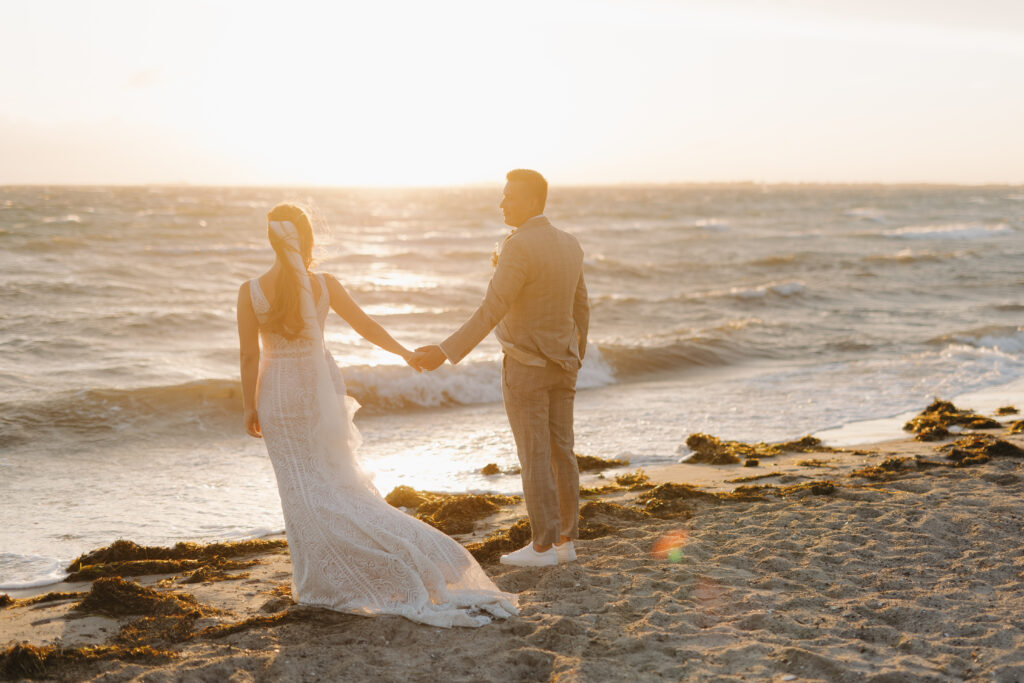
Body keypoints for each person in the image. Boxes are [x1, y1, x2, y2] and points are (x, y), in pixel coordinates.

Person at [236, 202, 517, 627]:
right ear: (306, 240)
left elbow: (247, 355)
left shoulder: (250, 290)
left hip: (277, 392)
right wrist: (405, 352)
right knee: (335, 481)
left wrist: (249, 405)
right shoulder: (323, 284)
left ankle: (320, 578)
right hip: (318, 389)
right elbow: (366, 326)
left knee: (299, 488)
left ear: (271, 239)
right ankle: (360, 564)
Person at [411, 170, 589, 568]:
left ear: (530, 202)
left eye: (509, 196)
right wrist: (577, 354)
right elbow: (581, 308)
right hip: (565, 364)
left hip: (526, 367)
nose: (502, 203)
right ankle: (565, 542)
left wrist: (445, 350)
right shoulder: (569, 243)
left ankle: (542, 546)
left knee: (536, 455)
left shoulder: (519, 246)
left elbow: (492, 309)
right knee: (563, 452)